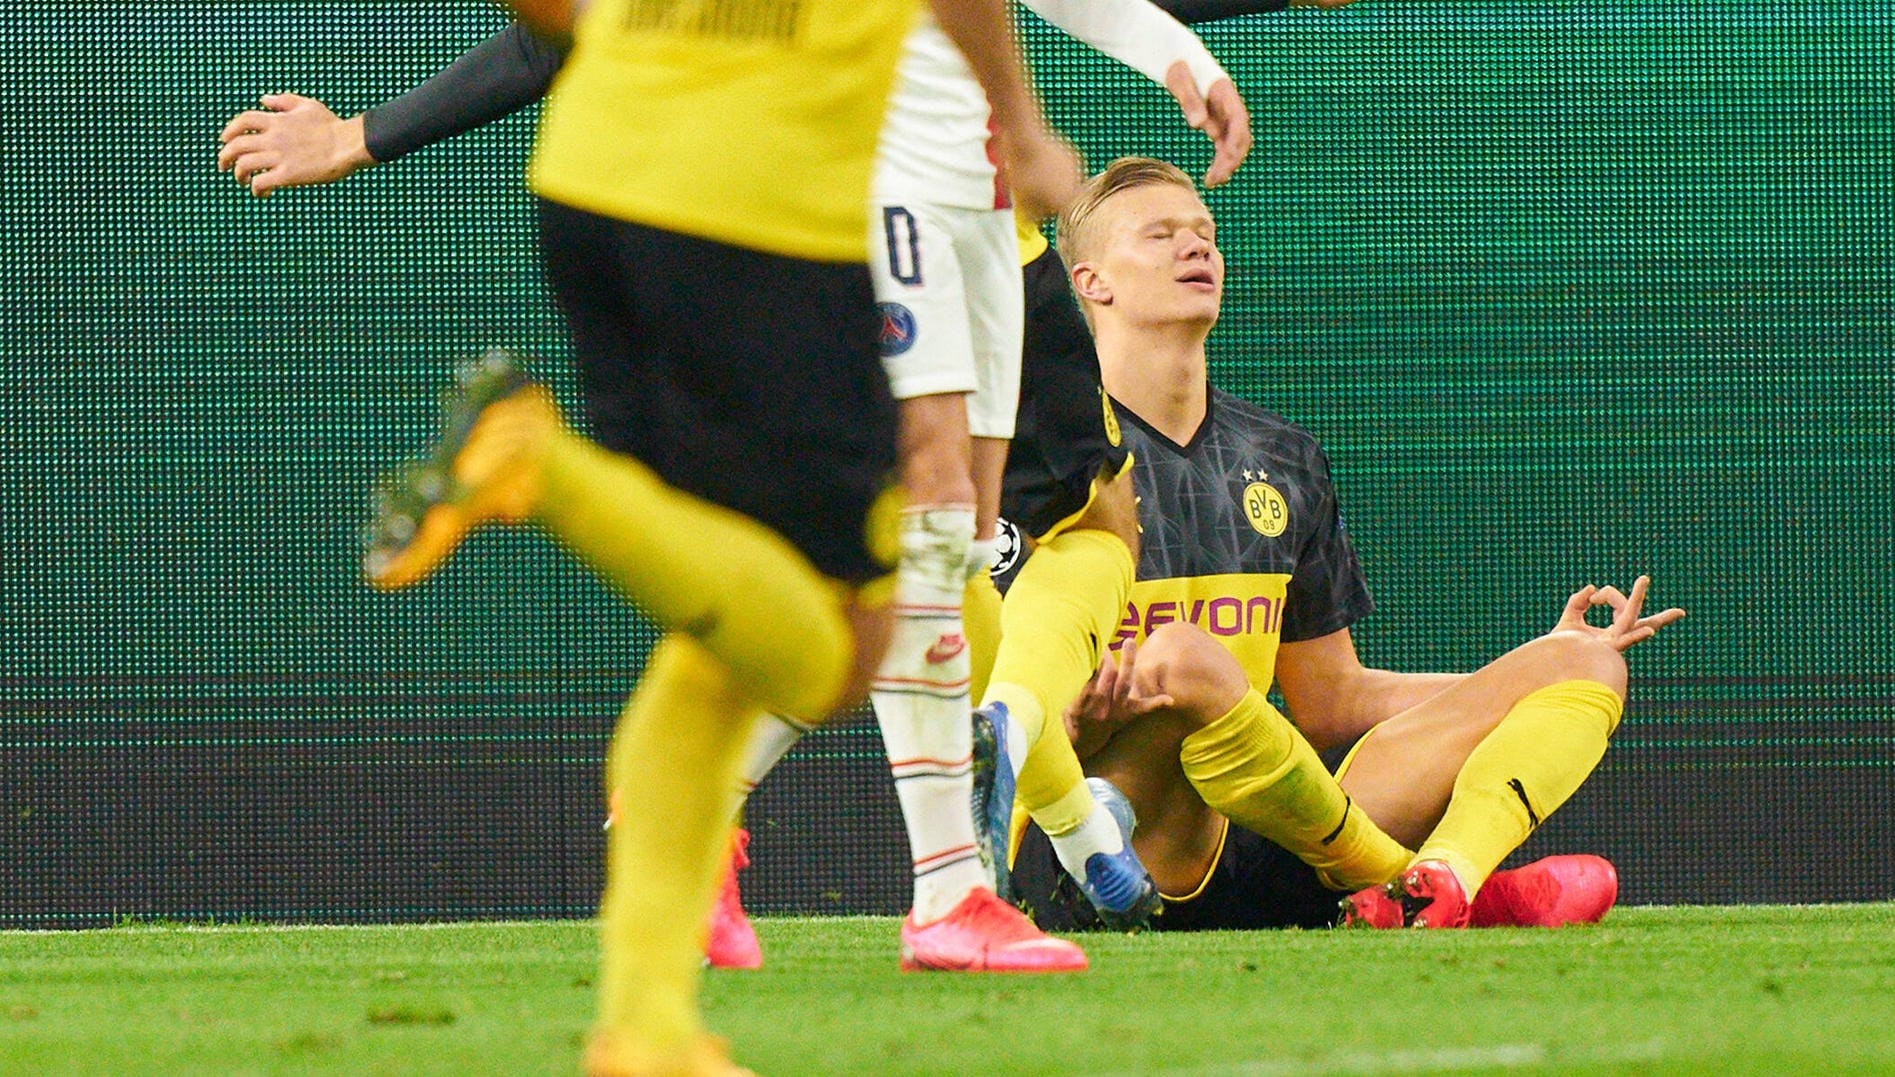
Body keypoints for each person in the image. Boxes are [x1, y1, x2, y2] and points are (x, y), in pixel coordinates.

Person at [217, 0, 1264, 962]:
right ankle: (946, 889)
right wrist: (364, 132)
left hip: (991, 214)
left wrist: (1179, 56)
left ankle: (736, 828)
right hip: (864, 187)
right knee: (913, 529)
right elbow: (559, 32)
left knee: (937, 559)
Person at [354, 1, 1080, 1074]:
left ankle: (643, 1029)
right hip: (761, 216)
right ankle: (540, 467)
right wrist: (1020, 122)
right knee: (838, 641)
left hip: (593, 173)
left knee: (718, 623)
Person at [997, 156, 1685, 934]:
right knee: (1181, 658)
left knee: (1586, 663)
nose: (1197, 250)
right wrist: (1074, 728)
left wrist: (1527, 671)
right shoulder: (1040, 459)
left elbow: (1334, 703)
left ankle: (1446, 877)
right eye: (1161, 236)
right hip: (1095, 846)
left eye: (1206, 235)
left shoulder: (1281, 457)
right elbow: (993, 710)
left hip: (1264, 829)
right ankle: (1412, 883)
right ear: (1089, 282)